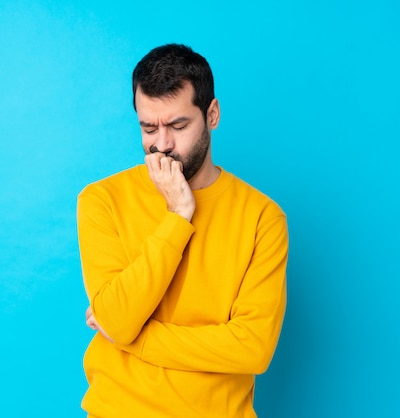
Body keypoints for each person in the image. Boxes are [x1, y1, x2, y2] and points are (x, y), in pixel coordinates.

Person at [77, 43, 288, 418]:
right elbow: (116, 318)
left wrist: (133, 337)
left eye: (178, 125)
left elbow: (253, 348)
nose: (162, 145)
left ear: (212, 114)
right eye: (148, 128)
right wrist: (178, 215)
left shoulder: (262, 218)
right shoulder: (102, 200)